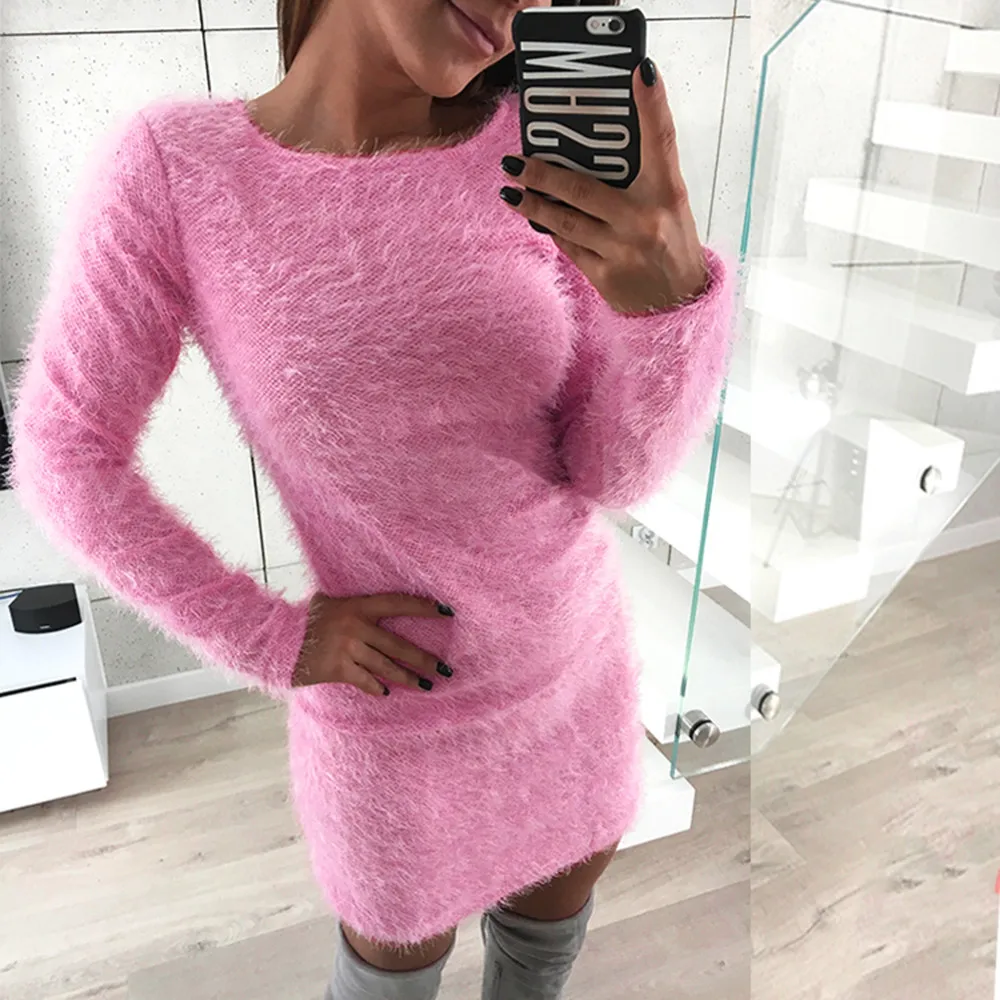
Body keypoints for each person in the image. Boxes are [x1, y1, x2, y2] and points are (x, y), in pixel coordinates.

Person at [10, 0, 733, 997]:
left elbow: (610, 475)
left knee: (539, 963)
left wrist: (667, 309)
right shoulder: (180, 170)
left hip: (574, 669)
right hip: (392, 719)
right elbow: (63, 451)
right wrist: (267, 637)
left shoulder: (535, 152)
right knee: (385, 981)